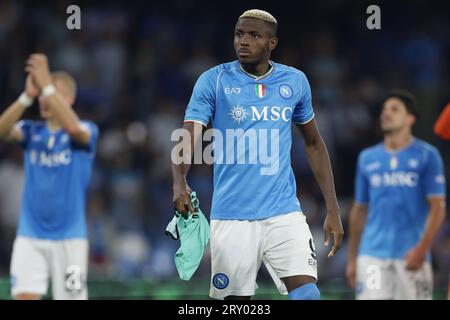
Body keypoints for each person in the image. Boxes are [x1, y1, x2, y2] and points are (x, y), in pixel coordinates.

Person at [171, 9, 343, 300]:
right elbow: (188, 135)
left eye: (254, 35)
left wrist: (333, 209)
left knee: (308, 294)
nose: (244, 41)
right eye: (239, 34)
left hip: (284, 212)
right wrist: (179, 180)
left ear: (272, 42)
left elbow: (314, 144)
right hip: (232, 216)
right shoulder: (214, 80)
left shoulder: (295, 81)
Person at [0, 54, 99, 300]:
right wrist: (27, 97)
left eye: (53, 92)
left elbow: (75, 130)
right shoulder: (30, 132)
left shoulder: (87, 129)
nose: (45, 98)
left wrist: (45, 84)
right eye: (44, 94)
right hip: (30, 237)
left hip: (71, 240)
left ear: (70, 99)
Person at [346, 90, 447, 300]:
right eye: (384, 110)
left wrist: (422, 249)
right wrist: (352, 258)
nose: (386, 114)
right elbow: (359, 209)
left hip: (412, 256)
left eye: (394, 109)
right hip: (372, 255)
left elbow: (438, 207)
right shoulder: (367, 158)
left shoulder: (427, 156)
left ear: (410, 118)